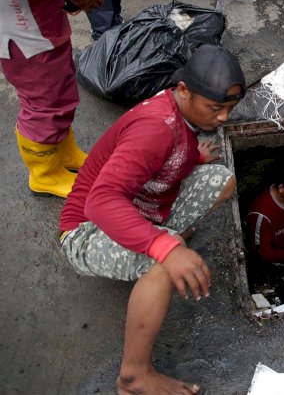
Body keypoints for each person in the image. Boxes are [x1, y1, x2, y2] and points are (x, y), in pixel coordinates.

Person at [59, 44, 246, 394]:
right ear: (184, 91)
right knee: (166, 258)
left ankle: (163, 239)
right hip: (86, 229)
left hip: (142, 204)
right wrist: (164, 246)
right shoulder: (155, 128)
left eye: (229, 108)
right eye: (216, 108)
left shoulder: (180, 116)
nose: (223, 118)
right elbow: (100, 202)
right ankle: (133, 377)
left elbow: (170, 157)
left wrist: (194, 156)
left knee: (221, 179)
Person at [1, 0, 105, 199]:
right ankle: (44, 173)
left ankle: (62, 149)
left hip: (40, 3)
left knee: (59, 80)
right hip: (19, 13)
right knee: (44, 96)